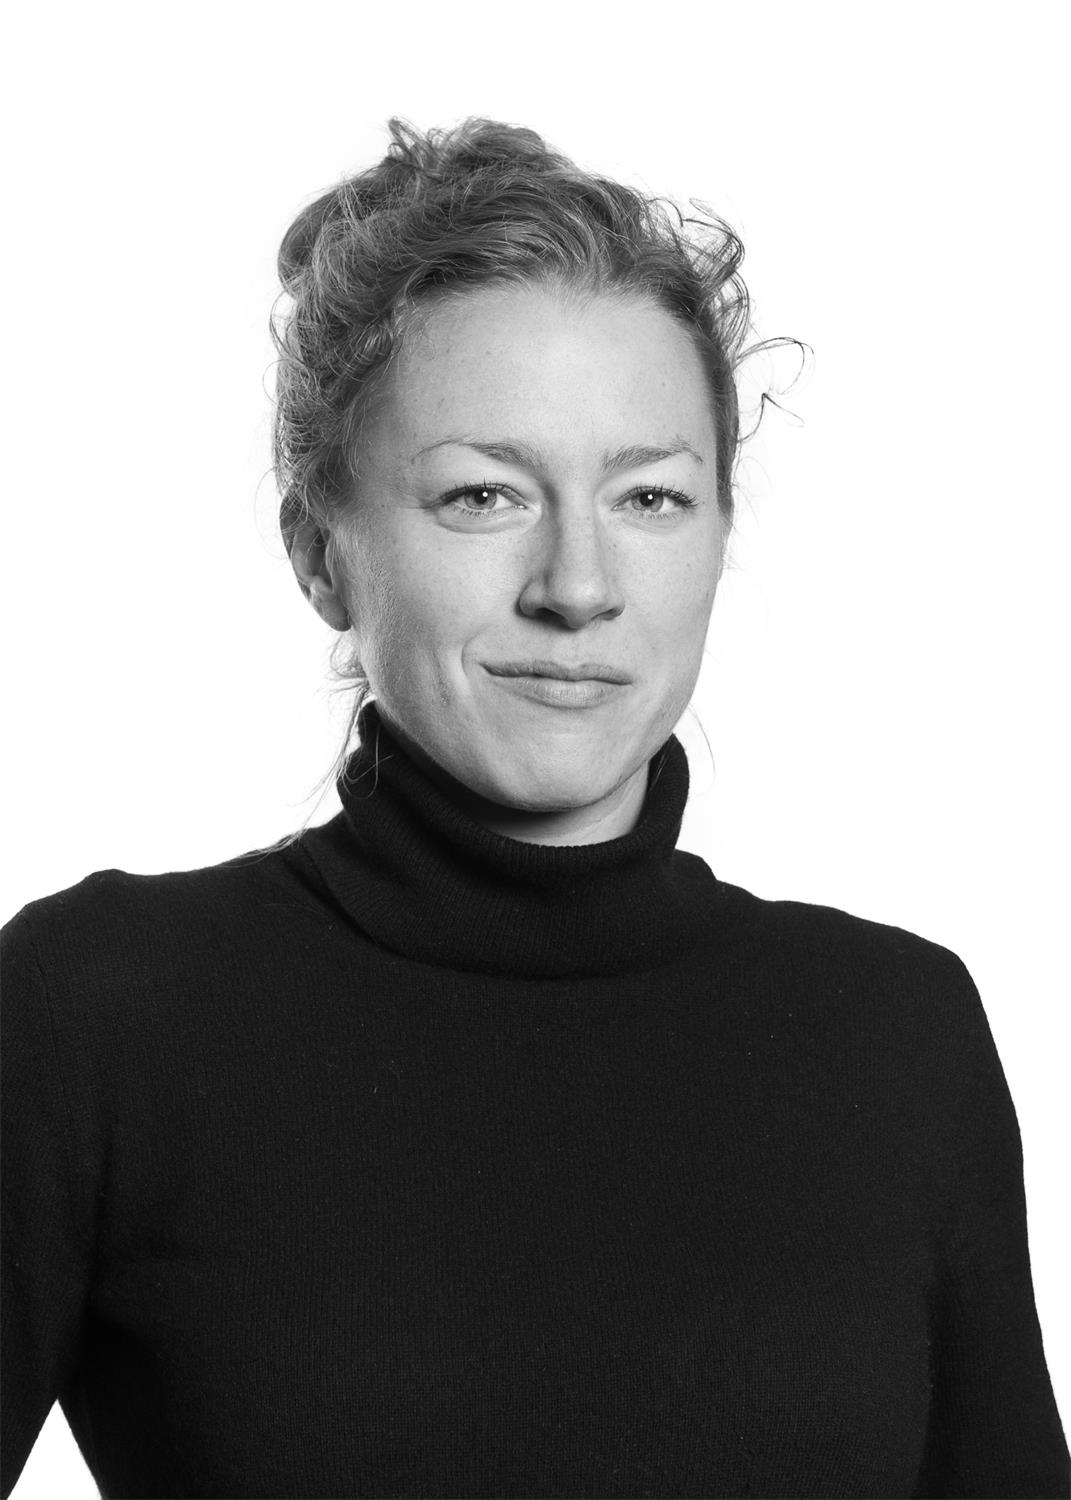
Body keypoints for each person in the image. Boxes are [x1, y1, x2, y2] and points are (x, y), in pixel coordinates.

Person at [1, 115, 1067, 1500]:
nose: (579, 585)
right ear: (322, 552)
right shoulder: (100, 1017)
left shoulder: (896, 1030)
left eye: (651, 497)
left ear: (720, 535)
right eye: (483, 494)